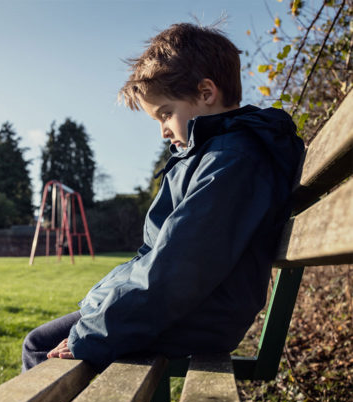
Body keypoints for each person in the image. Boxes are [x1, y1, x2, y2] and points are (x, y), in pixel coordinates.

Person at [21, 22, 305, 372]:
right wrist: (102, 304)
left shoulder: (233, 161)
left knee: (40, 348)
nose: (163, 130)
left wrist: (92, 334)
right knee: (45, 341)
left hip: (197, 316)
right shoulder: (212, 155)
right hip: (188, 309)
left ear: (206, 93)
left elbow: (181, 266)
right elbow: (164, 258)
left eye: (166, 113)